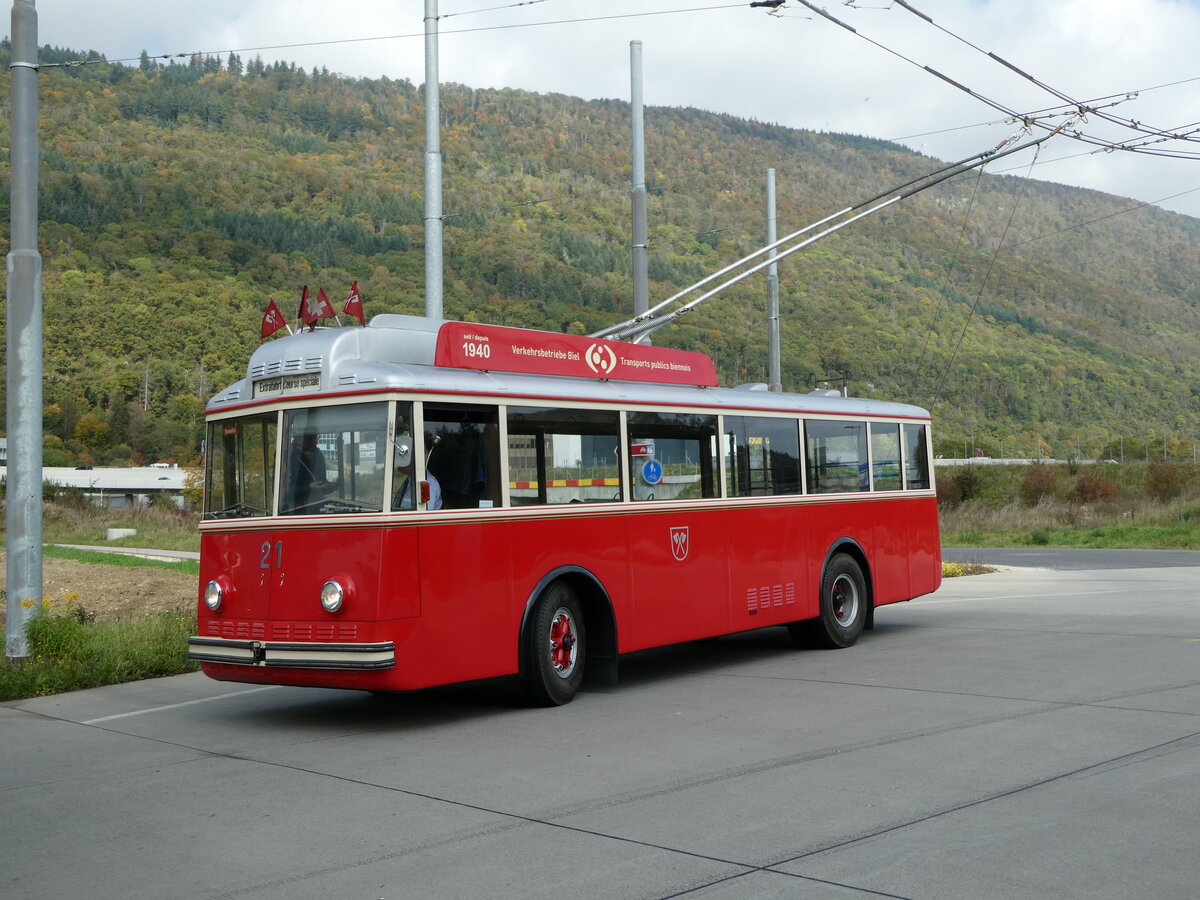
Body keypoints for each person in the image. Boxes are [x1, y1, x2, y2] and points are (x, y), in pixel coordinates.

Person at [286, 432, 332, 511]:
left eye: (316, 438)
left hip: (317, 507)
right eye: (310, 438)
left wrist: (328, 486)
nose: (315, 441)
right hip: (295, 510)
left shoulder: (318, 454)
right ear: (298, 438)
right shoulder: (287, 455)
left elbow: (321, 481)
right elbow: (283, 491)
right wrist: (308, 488)